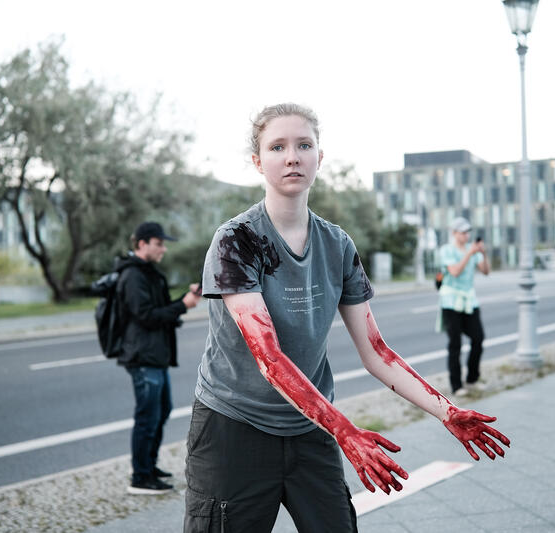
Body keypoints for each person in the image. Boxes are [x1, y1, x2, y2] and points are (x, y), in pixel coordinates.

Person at [184, 103, 509, 532]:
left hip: (311, 426)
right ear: (258, 161)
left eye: (304, 144)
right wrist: (346, 431)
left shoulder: (336, 245)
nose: (293, 156)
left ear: (320, 156)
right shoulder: (236, 240)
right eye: (277, 146)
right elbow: (270, 360)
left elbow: (375, 351)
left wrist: (446, 411)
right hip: (233, 427)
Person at [117, 221, 202, 494]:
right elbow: (146, 317)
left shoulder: (149, 273)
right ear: (142, 243)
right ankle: (140, 478)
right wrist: (182, 305)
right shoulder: (133, 276)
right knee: (148, 416)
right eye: (159, 243)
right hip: (143, 355)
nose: (163, 248)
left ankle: (148, 466)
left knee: (160, 412)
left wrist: (184, 300)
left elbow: (161, 310)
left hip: (155, 355)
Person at [436, 218, 490, 396]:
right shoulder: (447, 250)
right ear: (454, 233)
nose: (466, 235)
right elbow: (455, 271)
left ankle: (472, 378)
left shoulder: (472, 250)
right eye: (463, 232)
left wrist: (483, 253)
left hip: (469, 300)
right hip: (451, 301)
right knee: (455, 344)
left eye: (468, 232)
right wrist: (470, 254)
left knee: (478, 338)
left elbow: (486, 271)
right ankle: (456, 385)